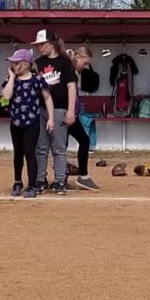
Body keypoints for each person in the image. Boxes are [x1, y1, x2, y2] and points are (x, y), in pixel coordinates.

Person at [1, 48, 54, 198]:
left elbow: (48, 98)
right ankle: (17, 181)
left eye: (16, 63)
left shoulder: (37, 79)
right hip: (16, 121)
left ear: (25, 64)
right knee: (18, 152)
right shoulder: (11, 79)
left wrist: (50, 118)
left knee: (30, 152)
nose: (13, 66)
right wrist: (11, 78)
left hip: (32, 121)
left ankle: (32, 185)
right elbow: (6, 96)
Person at [32, 29, 77, 195]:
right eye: (38, 45)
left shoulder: (64, 63)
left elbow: (71, 87)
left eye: (43, 44)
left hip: (59, 108)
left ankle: (59, 180)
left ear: (52, 44)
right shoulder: (37, 63)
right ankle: (40, 179)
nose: (40, 48)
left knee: (58, 147)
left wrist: (71, 110)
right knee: (41, 147)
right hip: (40, 109)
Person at [65, 46, 100, 191]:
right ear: (77, 57)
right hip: (67, 113)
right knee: (64, 145)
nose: (85, 66)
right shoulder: (67, 69)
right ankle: (76, 177)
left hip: (72, 113)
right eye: (84, 63)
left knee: (75, 143)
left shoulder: (74, 72)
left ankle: (75, 177)